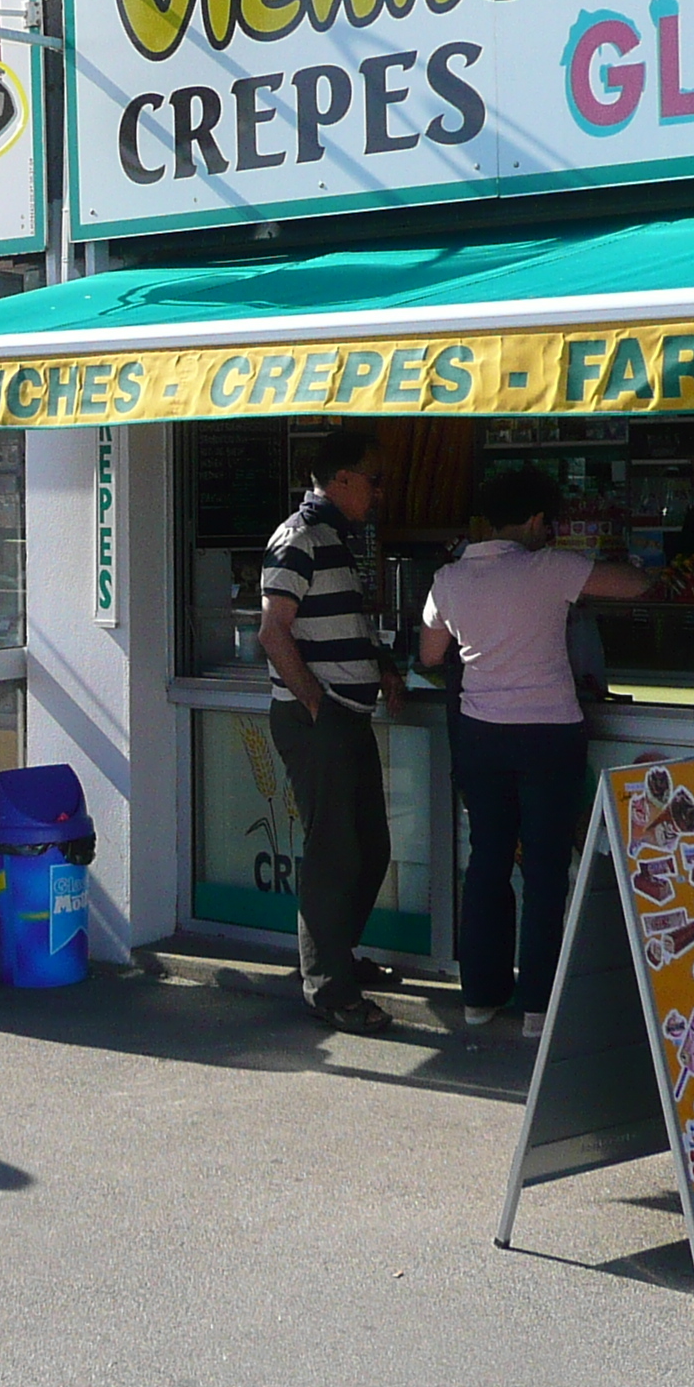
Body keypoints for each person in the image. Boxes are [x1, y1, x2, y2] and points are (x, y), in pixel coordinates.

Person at [419, 464, 648, 1036]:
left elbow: (428, 654)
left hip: (481, 734)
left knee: (488, 860)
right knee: (546, 868)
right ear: (539, 520)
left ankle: (479, 996)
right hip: (549, 733)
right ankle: (539, 1006)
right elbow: (635, 585)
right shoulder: (551, 567)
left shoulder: (447, 579)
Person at [259, 429, 406, 1034]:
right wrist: (318, 705)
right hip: (322, 719)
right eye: (373, 479)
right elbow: (274, 632)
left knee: (369, 849)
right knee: (334, 856)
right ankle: (330, 989)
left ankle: (336, 960)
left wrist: (384, 668)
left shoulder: (334, 540)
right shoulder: (299, 537)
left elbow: (345, 625)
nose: (378, 492)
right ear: (341, 480)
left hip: (343, 715)